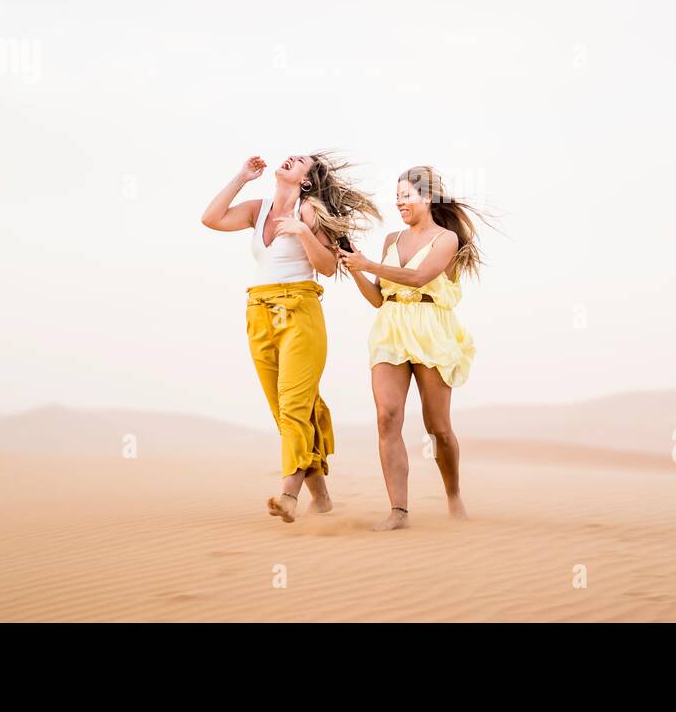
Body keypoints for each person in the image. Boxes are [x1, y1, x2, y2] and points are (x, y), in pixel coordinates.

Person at [201, 153, 380, 523]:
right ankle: (322, 497)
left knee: (294, 405)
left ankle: (288, 495)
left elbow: (328, 268)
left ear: (306, 181)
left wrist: (301, 231)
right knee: (285, 410)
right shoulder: (258, 208)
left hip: (299, 308)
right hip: (259, 311)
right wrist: (241, 177)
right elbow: (211, 218)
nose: (289, 158)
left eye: (299, 161)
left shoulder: (310, 212)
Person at [339, 166, 486, 530]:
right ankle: (398, 511)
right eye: (397, 196)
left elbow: (420, 277)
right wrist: (355, 266)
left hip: (430, 330)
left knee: (437, 426)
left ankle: (452, 494)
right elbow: (377, 297)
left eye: (406, 195)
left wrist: (369, 263)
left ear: (428, 197)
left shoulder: (446, 239)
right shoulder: (391, 240)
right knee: (387, 416)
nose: (399, 202)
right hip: (390, 328)